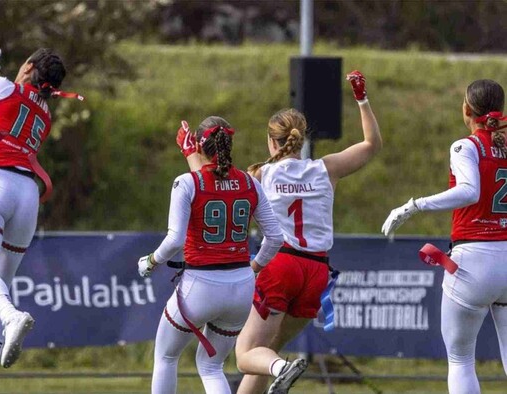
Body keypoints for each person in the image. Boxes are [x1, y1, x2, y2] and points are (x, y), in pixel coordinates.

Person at [177, 71, 380, 393]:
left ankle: (282, 367)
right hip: (316, 270)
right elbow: (371, 144)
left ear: (272, 141)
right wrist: (361, 98)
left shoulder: (260, 173)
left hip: (280, 265)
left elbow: (215, 187)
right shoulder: (326, 168)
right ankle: (279, 367)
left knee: (247, 355)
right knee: (265, 351)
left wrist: (191, 152)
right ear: (303, 138)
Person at [0, 42, 79, 394]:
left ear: (29, 67)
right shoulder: (44, 114)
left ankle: (12, 317)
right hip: (27, 193)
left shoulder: (6, 86)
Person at [137, 116, 285, 394]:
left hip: (200, 284)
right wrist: (254, 267)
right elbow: (275, 238)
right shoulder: (250, 183)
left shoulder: (187, 182)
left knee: (166, 357)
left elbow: (174, 240)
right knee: (211, 366)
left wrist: (151, 261)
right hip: (241, 285)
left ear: (201, 147)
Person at [382, 79, 507, 394]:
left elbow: (469, 191)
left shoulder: (466, 146)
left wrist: (414, 205)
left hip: (474, 260)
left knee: (461, 359)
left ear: (466, 109)